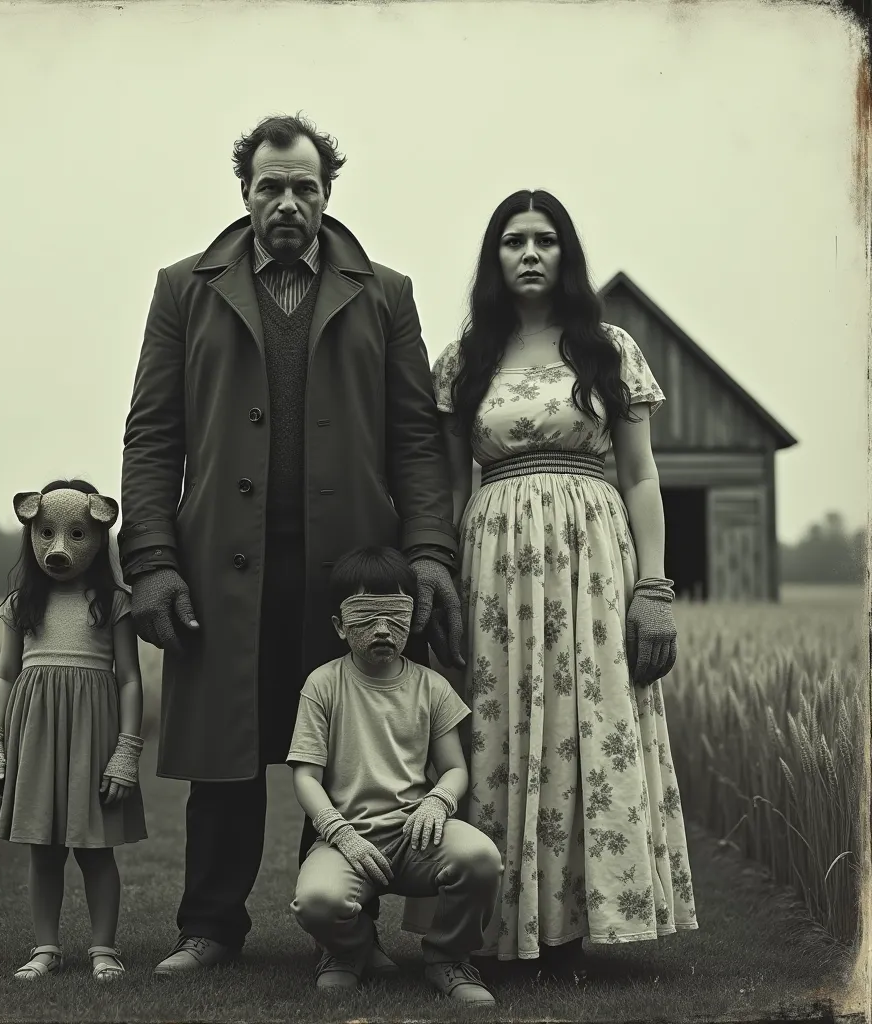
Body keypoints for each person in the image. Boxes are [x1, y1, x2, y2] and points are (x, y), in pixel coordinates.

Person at [117, 112, 465, 978]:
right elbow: (153, 437)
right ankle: (210, 928)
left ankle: (340, 932)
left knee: (353, 755)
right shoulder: (182, 288)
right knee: (224, 759)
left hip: (351, 574)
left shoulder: (385, 292)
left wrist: (427, 552)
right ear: (244, 193)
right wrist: (153, 562)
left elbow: (417, 440)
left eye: (304, 187)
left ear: (327, 195)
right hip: (217, 569)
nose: (286, 202)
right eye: (270, 185)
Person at [401, 189, 698, 974]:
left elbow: (639, 476)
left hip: (594, 561)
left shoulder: (607, 349)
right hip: (494, 562)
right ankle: (496, 928)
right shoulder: (465, 361)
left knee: (588, 723)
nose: (529, 253)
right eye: (512, 241)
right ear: (493, 257)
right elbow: (454, 487)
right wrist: (449, 584)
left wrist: (654, 587)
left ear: (566, 253)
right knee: (498, 726)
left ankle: (579, 926)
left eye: (545, 240)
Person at [288, 546, 503, 1003]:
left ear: (412, 618)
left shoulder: (432, 686)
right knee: (316, 902)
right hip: (347, 838)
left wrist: (439, 801)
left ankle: (448, 958)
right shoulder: (322, 685)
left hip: (417, 834)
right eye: (366, 616)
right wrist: (338, 833)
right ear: (339, 625)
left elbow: (454, 769)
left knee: (480, 858)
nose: (382, 629)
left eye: (395, 615)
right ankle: (350, 950)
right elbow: (305, 776)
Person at [0, 479, 147, 982]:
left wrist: (127, 750)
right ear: (31, 534)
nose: (59, 546)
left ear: (97, 538)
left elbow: (131, 679)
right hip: (33, 732)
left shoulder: (113, 602)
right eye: (47, 532)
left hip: (93, 733)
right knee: (44, 849)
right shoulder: (20, 604)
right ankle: (45, 948)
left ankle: (103, 949)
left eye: (76, 533)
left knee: (95, 848)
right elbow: (4, 674)